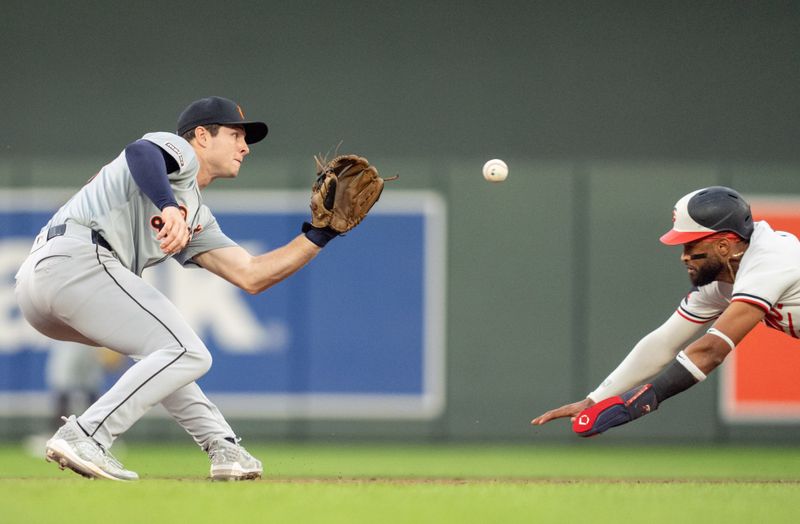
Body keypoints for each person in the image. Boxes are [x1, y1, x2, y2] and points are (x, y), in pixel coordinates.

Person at [14, 96, 344, 480]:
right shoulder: (180, 156)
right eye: (236, 135)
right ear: (201, 136)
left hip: (45, 285)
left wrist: (322, 233)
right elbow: (141, 152)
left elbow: (252, 274)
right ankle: (87, 434)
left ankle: (224, 448)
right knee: (187, 351)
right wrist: (168, 206)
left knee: (165, 354)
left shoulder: (197, 216)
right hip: (76, 259)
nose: (244, 146)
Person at [532, 186, 800, 436]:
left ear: (722, 246)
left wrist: (640, 401)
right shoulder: (721, 282)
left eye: (691, 245)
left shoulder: (770, 259)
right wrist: (595, 399)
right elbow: (664, 342)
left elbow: (711, 351)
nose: (684, 256)